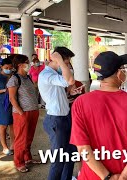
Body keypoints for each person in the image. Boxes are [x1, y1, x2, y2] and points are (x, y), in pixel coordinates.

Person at [70, 51, 127, 180]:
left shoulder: (81, 102)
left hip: (92, 176)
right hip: (126, 173)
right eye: (124, 69)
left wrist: (106, 177)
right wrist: (123, 176)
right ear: (119, 73)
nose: (125, 72)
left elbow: (82, 148)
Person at [38, 47, 76, 180]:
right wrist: (60, 60)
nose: (68, 65)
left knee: (71, 154)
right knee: (59, 158)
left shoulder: (55, 75)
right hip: (56, 120)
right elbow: (69, 81)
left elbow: (64, 88)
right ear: (56, 59)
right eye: (66, 62)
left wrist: (69, 95)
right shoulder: (46, 75)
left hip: (65, 117)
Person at [7, 54, 40, 173]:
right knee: (21, 138)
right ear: (20, 65)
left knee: (29, 137)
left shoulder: (28, 77)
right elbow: (12, 98)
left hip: (33, 111)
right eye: (27, 62)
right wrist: (20, 112)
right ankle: (19, 162)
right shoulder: (14, 79)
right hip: (22, 113)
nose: (29, 64)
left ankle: (27, 158)